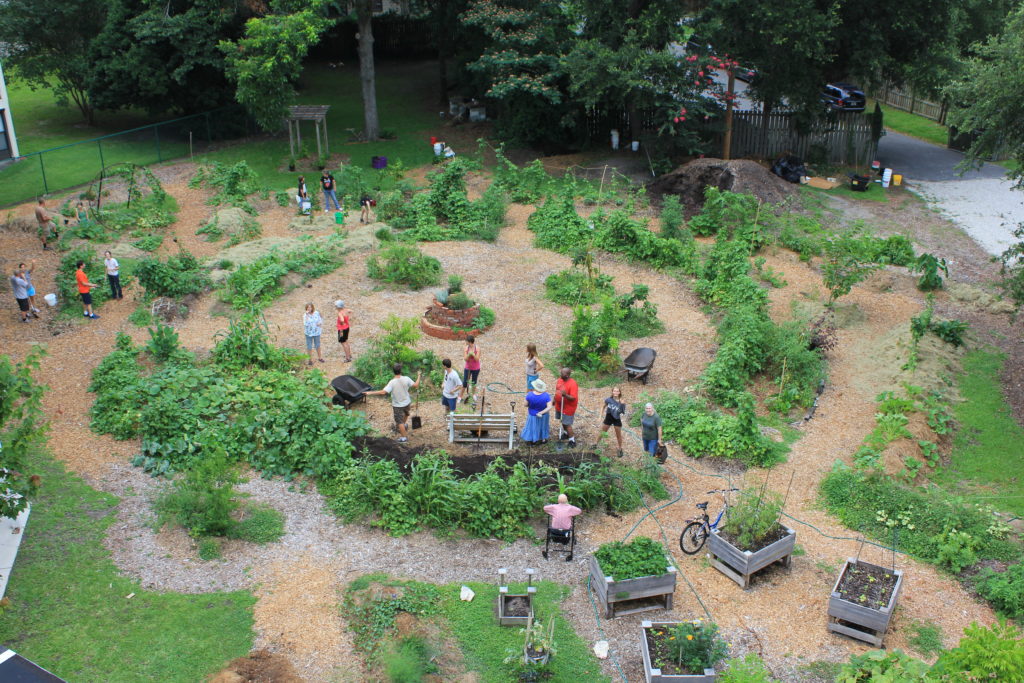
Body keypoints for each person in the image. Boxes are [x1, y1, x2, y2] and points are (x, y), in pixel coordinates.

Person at [366, 363, 421, 442]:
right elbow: (416, 385)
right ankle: (404, 425)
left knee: (399, 421)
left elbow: (383, 392)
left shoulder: (392, 382)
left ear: (393, 371)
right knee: (406, 414)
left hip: (398, 405)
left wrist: (370, 393)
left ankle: (404, 437)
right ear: (401, 371)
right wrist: (419, 375)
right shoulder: (406, 378)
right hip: (407, 402)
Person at [519, 378, 552, 445]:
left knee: (532, 427)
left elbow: (525, 405)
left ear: (534, 386)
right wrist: (541, 412)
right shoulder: (546, 395)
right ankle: (543, 439)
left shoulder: (529, 395)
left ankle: (533, 440)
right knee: (543, 426)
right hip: (544, 415)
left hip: (532, 415)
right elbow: (549, 407)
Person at [554, 367, 579, 446]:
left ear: (567, 375)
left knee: (567, 424)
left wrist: (565, 395)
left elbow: (573, 398)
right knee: (562, 420)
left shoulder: (573, 384)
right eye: (561, 372)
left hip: (568, 408)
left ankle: (572, 440)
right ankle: (565, 433)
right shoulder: (560, 380)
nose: (560, 374)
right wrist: (554, 400)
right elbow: (557, 391)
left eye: (562, 373)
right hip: (559, 405)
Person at [600, 386, 627, 457]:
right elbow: (603, 406)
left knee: (618, 435)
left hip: (616, 418)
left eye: (617, 391)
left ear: (619, 392)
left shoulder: (622, 401)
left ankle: (620, 449)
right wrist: (600, 416)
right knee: (602, 432)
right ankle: (595, 444)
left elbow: (622, 411)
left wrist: (622, 404)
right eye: (614, 391)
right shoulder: (608, 399)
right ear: (612, 392)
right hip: (608, 417)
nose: (615, 392)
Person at [461, 335, 481, 404]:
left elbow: (477, 359)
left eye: (466, 341)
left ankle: (473, 394)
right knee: (465, 382)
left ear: (470, 342)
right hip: (467, 368)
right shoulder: (466, 348)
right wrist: (469, 355)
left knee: (474, 382)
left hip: (476, 368)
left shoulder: (477, 348)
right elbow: (465, 359)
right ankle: (460, 396)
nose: (465, 342)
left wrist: (473, 354)